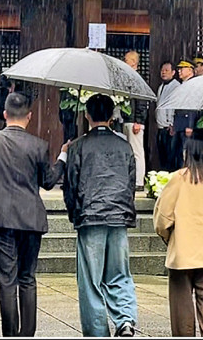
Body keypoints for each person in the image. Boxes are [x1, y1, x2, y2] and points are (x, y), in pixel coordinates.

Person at [0, 92, 68, 337]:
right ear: (29, 116)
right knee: (27, 278)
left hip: (0, 217)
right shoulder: (39, 145)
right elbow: (47, 182)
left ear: (5, 114)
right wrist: (63, 157)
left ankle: (10, 334)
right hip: (31, 218)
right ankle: (27, 334)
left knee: (7, 281)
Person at [63, 94, 138, 337]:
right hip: (119, 214)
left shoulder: (78, 146)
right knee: (120, 273)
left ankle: (97, 331)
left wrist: (74, 213)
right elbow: (130, 181)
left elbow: (71, 184)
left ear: (87, 115)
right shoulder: (124, 145)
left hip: (90, 215)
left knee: (91, 280)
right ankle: (125, 319)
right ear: (111, 116)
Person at [154, 131, 203, 337]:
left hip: (183, 254)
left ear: (187, 152)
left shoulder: (179, 179)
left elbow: (162, 219)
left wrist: (169, 238)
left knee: (182, 316)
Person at [122, 51, 148, 190]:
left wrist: (139, 120)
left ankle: (139, 181)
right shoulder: (127, 78)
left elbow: (142, 102)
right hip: (125, 119)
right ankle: (130, 179)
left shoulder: (138, 79)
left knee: (137, 151)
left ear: (133, 63)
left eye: (126, 60)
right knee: (128, 151)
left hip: (135, 121)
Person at [155, 61, 180, 171]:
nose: (163, 73)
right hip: (161, 126)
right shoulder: (161, 86)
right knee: (163, 155)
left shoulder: (176, 86)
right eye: (162, 70)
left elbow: (174, 106)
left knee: (171, 156)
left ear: (173, 72)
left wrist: (172, 123)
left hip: (169, 126)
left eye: (166, 70)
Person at [173, 59, 198, 168]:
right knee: (179, 154)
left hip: (187, 124)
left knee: (186, 154)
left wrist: (190, 125)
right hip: (180, 125)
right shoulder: (183, 84)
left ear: (190, 70)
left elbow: (193, 107)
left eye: (182, 69)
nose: (179, 71)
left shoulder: (193, 85)